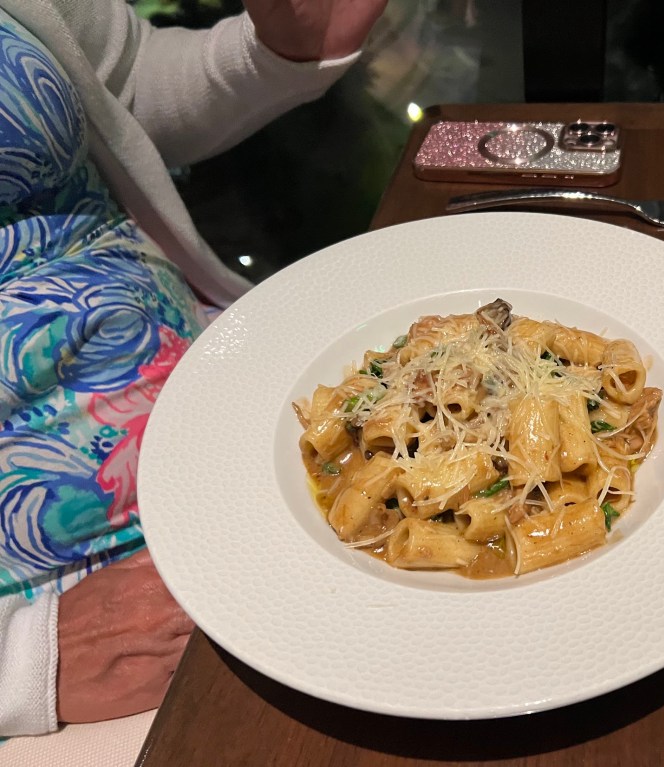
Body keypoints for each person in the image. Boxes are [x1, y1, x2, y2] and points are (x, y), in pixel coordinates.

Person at [0, 0, 387, 737]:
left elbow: (124, 83)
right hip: (76, 597)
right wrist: (22, 662)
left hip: (231, 399)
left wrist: (273, 53)